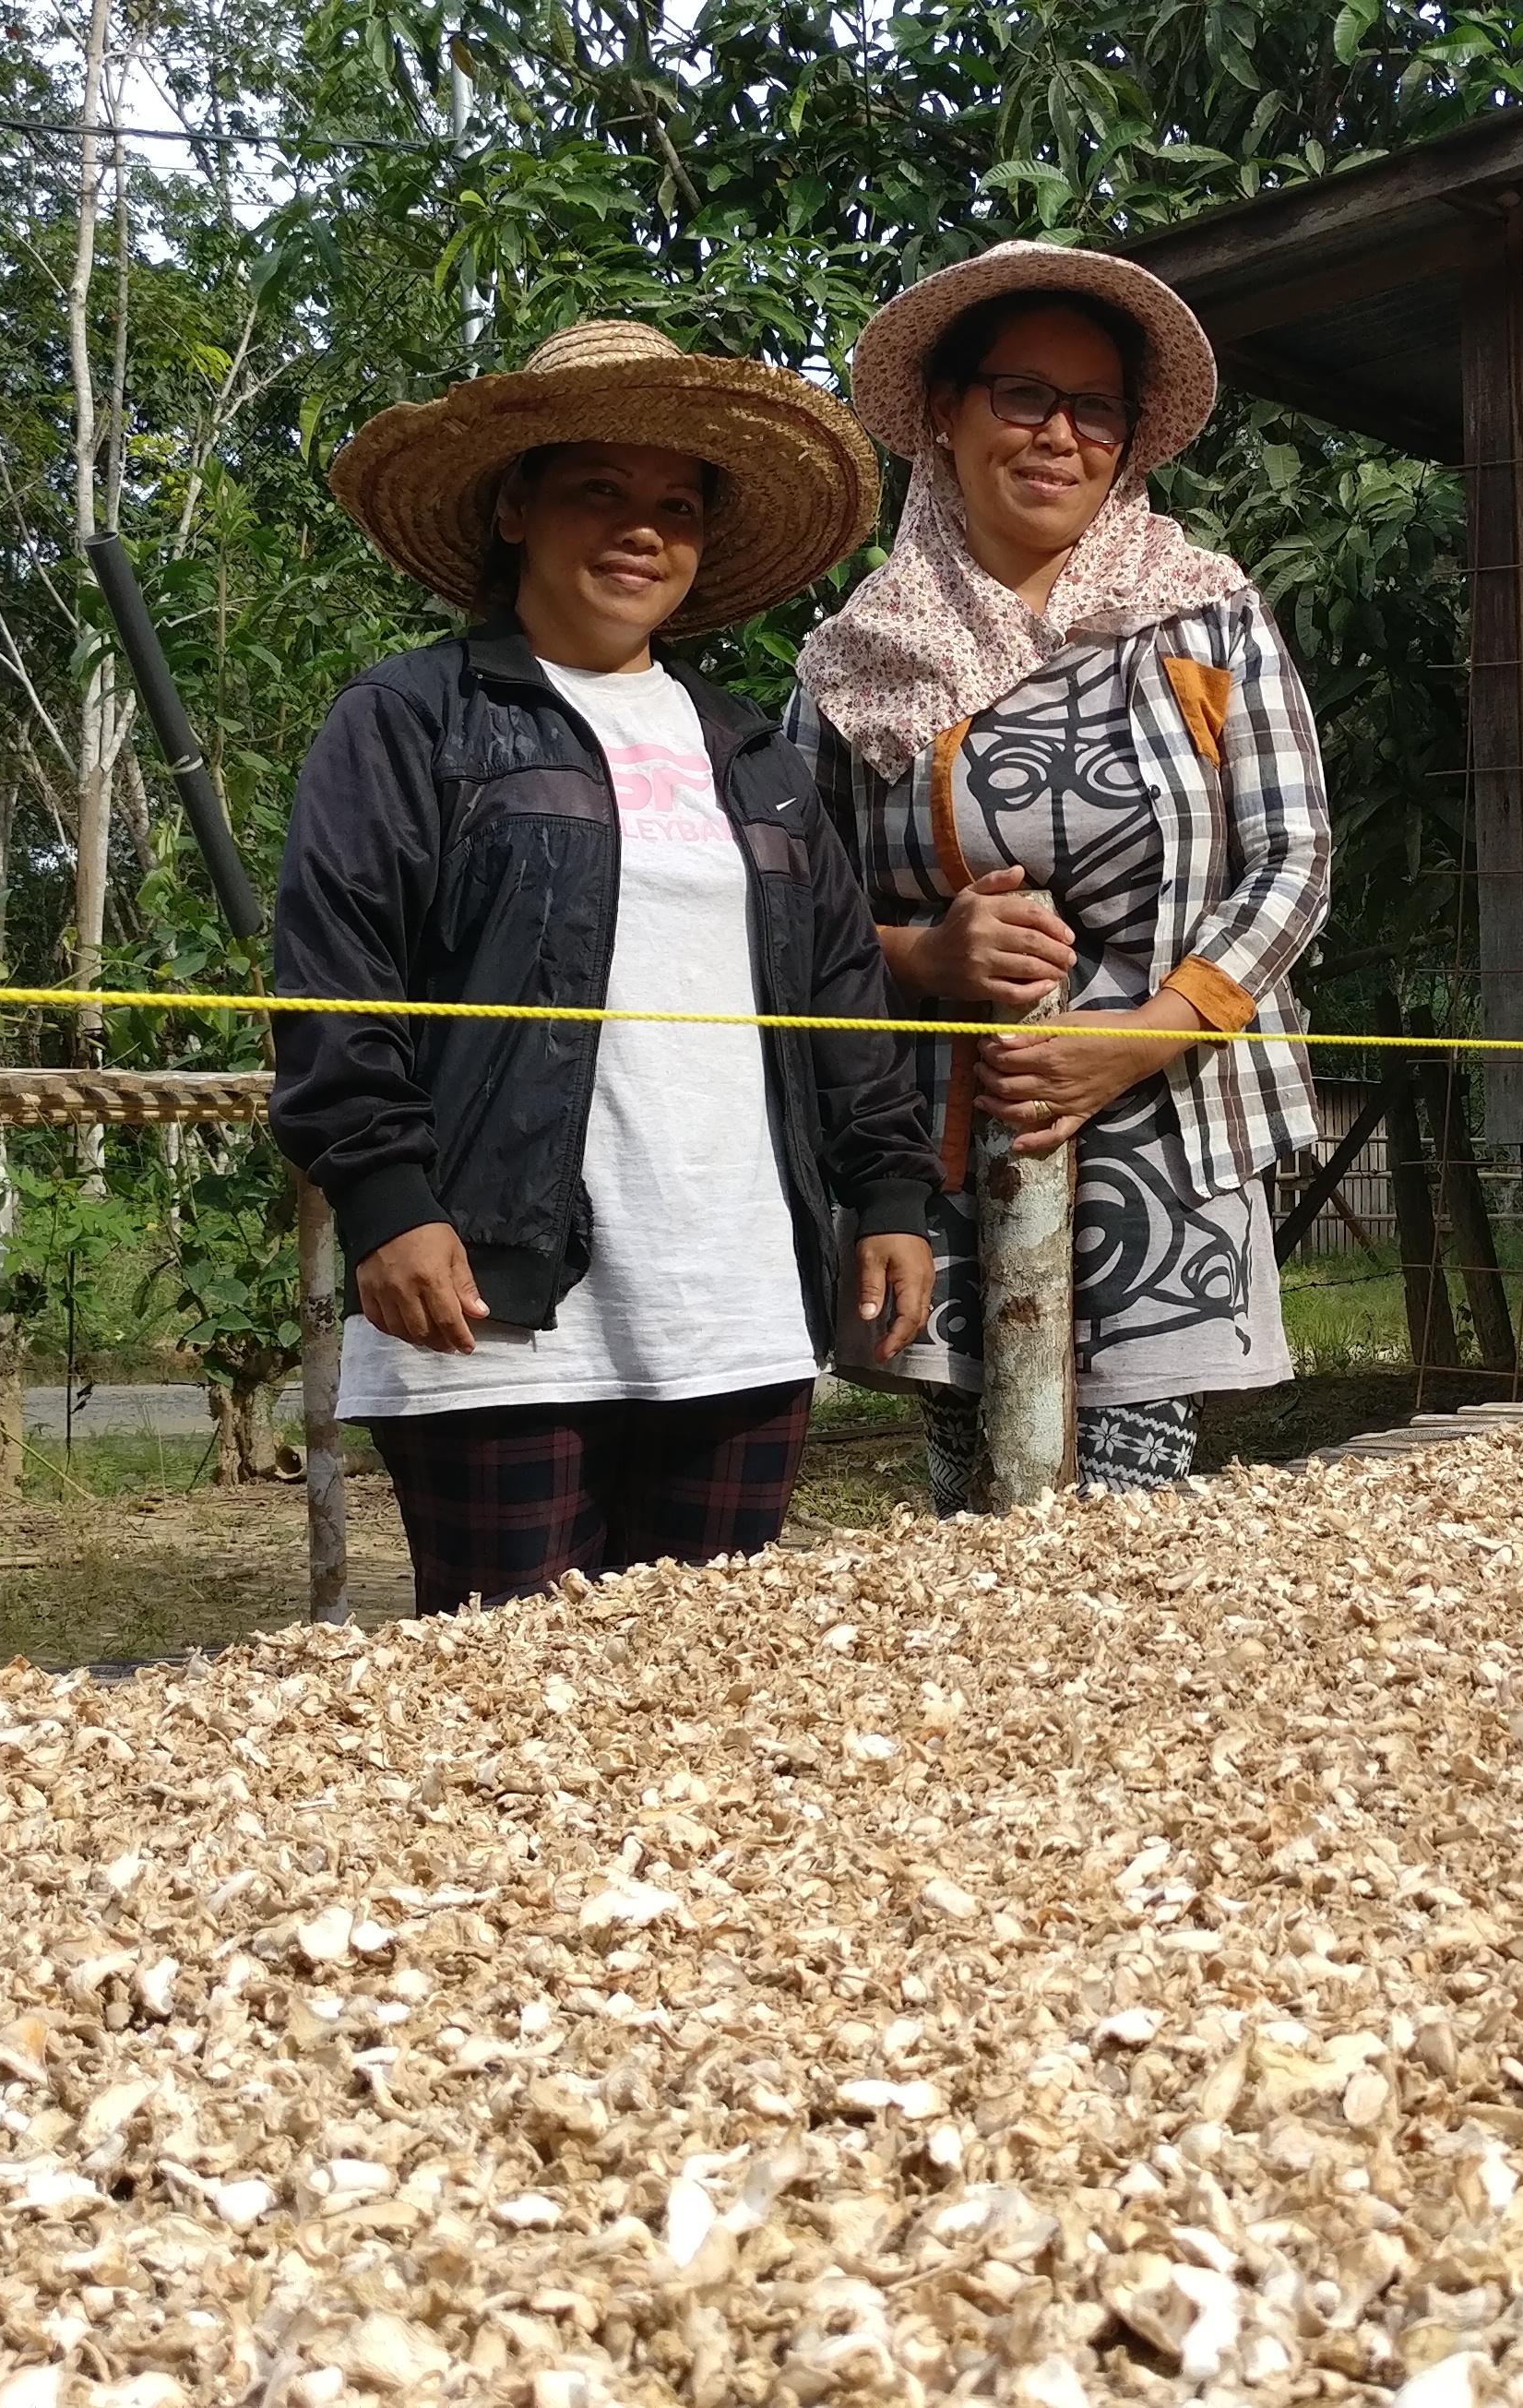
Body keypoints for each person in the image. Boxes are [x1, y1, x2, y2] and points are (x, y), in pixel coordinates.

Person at [272, 318, 935, 1611]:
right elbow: (336, 976)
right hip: (493, 1297)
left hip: (735, 1296)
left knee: (701, 1703)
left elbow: (841, 996)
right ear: (515, 505)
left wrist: (892, 1192)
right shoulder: (411, 721)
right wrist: (388, 1197)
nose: (643, 529)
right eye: (600, 491)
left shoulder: (757, 760)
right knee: (509, 1704)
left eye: (677, 505)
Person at [790, 242, 1334, 1508]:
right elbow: (788, 902)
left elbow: (1294, 853)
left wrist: (1146, 1032)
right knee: (968, 1507)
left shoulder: (1203, 616)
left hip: (1168, 1128)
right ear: (946, 411)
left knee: (1130, 1528)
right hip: (939, 1141)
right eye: (1022, 394)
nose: (1059, 436)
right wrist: (922, 953)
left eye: (1095, 409)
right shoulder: (857, 656)